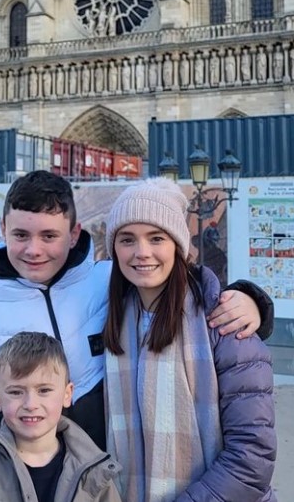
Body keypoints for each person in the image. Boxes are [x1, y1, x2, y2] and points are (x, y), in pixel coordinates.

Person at [0, 170, 273, 449]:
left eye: (49, 235)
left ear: (74, 234)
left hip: (115, 479)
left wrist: (250, 299)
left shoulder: (112, 280)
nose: (34, 249)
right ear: (3, 231)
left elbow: (184, 284)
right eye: (21, 234)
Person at [103, 178, 277, 502]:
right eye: (127, 239)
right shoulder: (110, 317)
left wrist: (254, 301)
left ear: (178, 245)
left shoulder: (223, 322)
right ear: (114, 248)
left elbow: (252, 457)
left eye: (156, 238)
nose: (142, 253)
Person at [0, 331, 121, 502]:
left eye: (44, 390)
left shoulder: (93, 465)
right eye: (16, 392)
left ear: (67, 394)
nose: (30, 404)